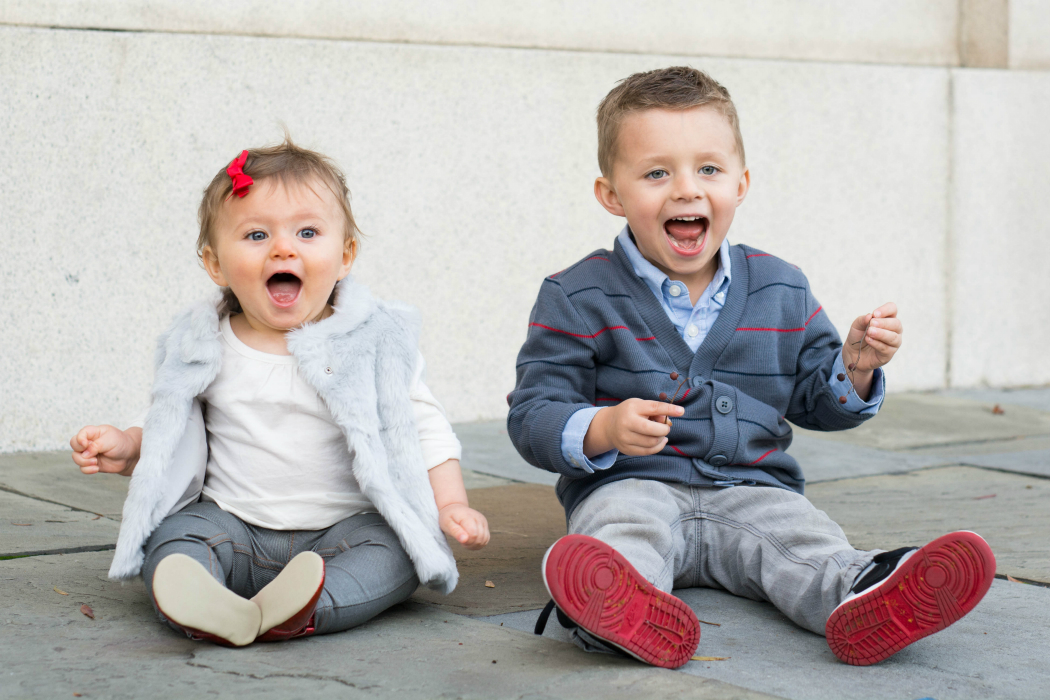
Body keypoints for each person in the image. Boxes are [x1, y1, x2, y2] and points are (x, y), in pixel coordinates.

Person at [508, 66, 994, 668]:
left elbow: (818, 399)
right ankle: (613, 612)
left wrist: (855, 367)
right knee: (619, 533)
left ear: (741, 183)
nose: (687, 189)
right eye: (657, 172)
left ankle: (865, 594)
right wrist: (602, 429)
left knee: (805, 541)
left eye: (708, 169)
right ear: (612, 194)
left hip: (753, 490)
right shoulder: (575, 294)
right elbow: (533, 411)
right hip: (632, 484)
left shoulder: (781, 287)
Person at [71, 138, 489, 646]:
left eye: (308, 232)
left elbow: (422, 426)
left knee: (400, 549)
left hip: (345, 530)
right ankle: (205, 599)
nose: (283, 248)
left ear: (345, 256)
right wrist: (131, 445)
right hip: (231, 525)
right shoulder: (204, 344)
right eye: (256, 234)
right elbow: (169, 419)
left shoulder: (373, 341)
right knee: (174, 536)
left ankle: (309, 606)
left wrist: (449, 505)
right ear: (215, 265)